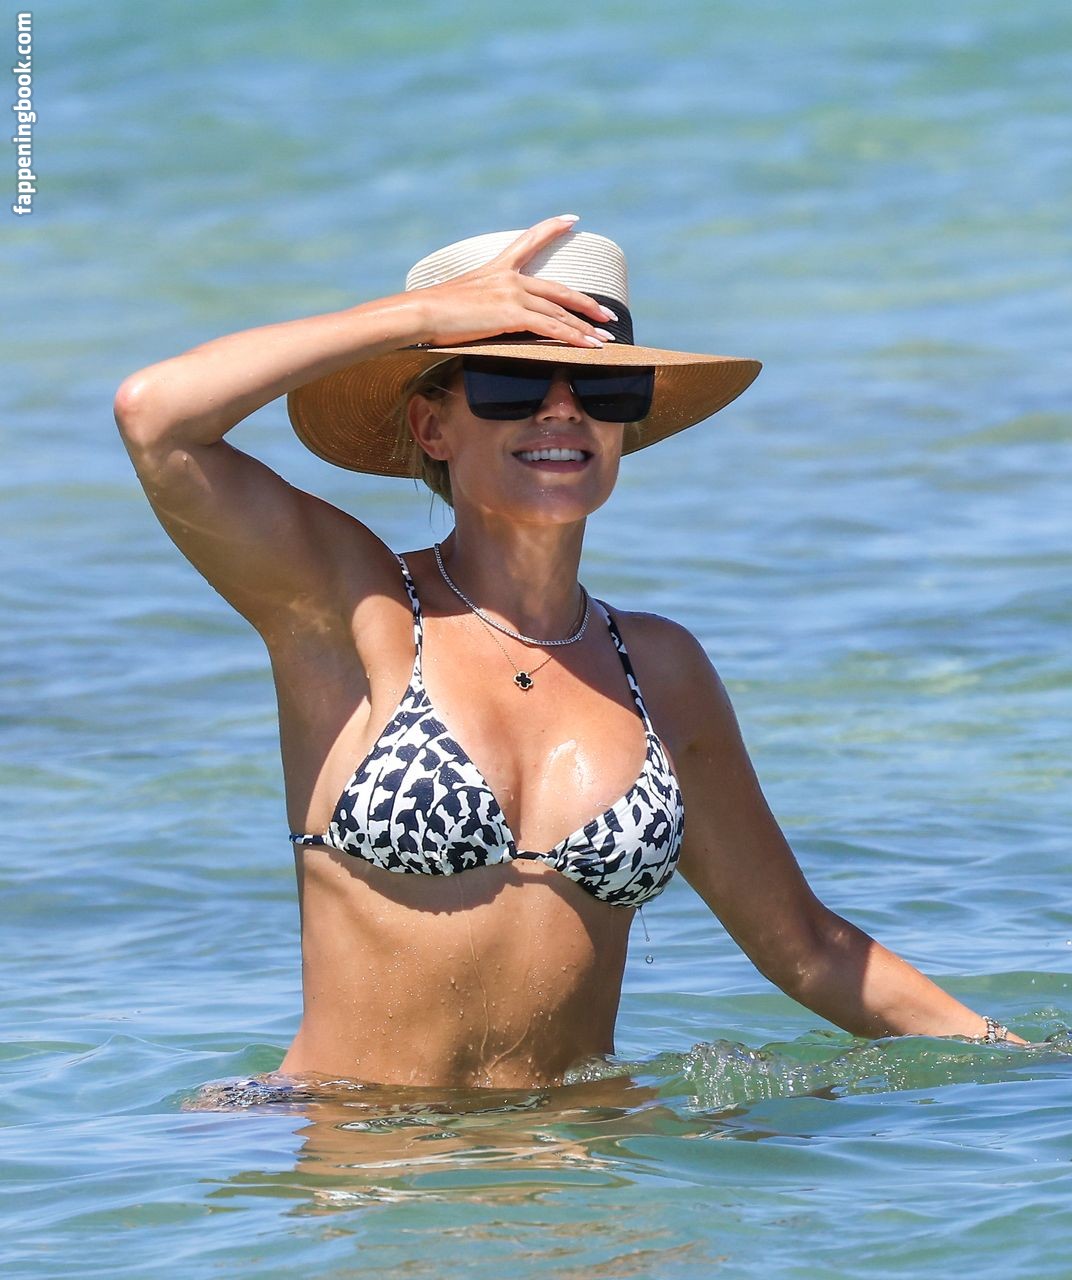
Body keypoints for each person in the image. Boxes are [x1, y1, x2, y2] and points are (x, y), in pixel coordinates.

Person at [117, 215, 1011, 1089]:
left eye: (600, 389)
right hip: (373, 1163)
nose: (561, 409)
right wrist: (421, 320)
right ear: (432, 427)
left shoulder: (656, 668)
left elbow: (807, 948)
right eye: (511, 380)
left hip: (579, 1158)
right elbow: (156, 416)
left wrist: (1032, 1066)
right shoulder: (355, 608)